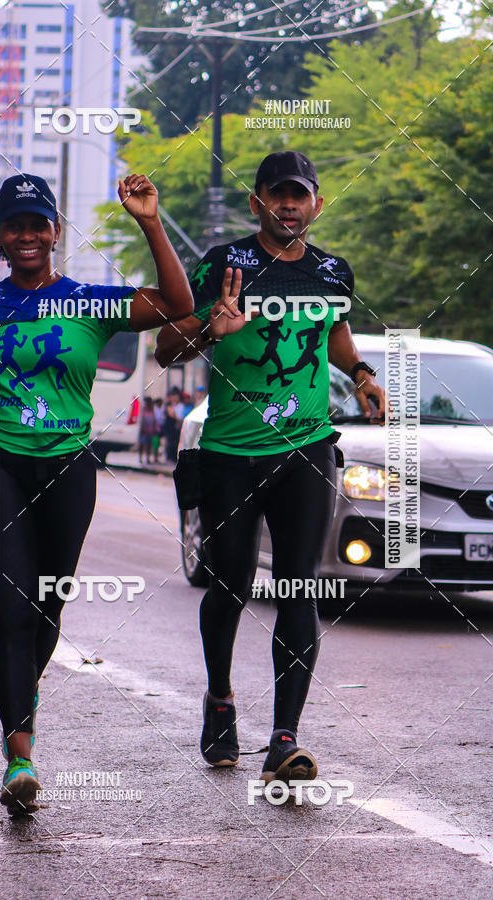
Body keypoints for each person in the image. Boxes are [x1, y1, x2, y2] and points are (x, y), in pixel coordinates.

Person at [0, 157, 193, 815]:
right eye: (14, 226)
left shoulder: (92, 302)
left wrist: (152, 226)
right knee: (14, 609)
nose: (26, 235)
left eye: (37, 223)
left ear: (55, 230)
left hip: (67, 468)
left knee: (49, 609)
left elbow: (178, 304)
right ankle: (19, 757)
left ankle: (22, 726)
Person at [155, 151, 385, 787]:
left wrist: (361, 374)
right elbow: (166, 347)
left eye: (300, 195)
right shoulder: (225, 265)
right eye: (276, 195)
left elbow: (335, 332)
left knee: (298, 585)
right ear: (256, 202)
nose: (289, 204)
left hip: (307, 449)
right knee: (228, 584)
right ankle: (221, 701)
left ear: (316, 203)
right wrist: (209, 326)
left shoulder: (333, 271)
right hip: (231, 453)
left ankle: (285, 737)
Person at [163, 386, 184, 463]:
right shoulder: (169, 405)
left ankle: (174, 457)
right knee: (170, 442)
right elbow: (170, 414)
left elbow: (178, 416)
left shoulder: (180, 405)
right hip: (170, 427)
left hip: (176, 427)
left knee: (175, 442)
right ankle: (169, 457)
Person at [138, 396, 156, 465]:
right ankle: (140, 458)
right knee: (142, 444)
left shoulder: (152, 410)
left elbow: (154, 420)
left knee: (149, 444)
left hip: (150, 430)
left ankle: (148, 458)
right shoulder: (143, 409)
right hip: (143, 430)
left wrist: (154, 428)